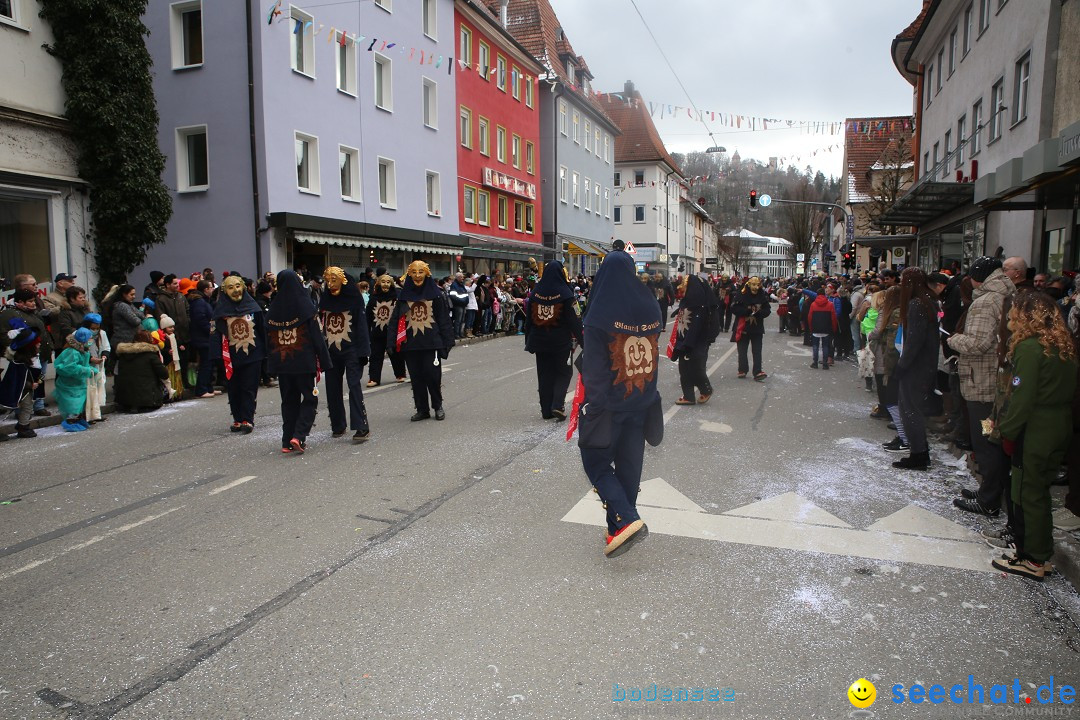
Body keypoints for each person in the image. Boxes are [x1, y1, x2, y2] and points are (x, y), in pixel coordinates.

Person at [575, 249, 663, 558]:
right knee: (628, 468)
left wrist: (591, 407)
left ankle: (626, 519)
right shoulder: (651, 306)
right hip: (641, 401)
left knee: (595, 462)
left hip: (609, 405)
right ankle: (618, 528)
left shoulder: (599, 313)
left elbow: (597, 370)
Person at [992, 292, 1078, 580]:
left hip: (1036, 427)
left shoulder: (1029, 348)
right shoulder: (1061, 345)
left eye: (1013, 313)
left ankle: (1032, 557)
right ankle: (1040, 554)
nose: (1009, 318)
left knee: (1026, 493)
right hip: (1058, 424)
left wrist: (1007, 431)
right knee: (1039, 491)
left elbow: (1022, 398)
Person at [946, 257, 1014, 515]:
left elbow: (977, 343)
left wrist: (954, 340)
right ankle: (990, 489)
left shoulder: (986, 302)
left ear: (977, 277)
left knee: (986, 439)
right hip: (991, 379)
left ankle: (989, 499)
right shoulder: (1006, 294)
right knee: (990, 439)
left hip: (982, 382)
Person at [267, 269, 331, 454]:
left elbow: (268, 340)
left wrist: (270, 366)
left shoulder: (273, 308)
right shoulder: (305, 306)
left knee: (288, 401)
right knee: (310, 399)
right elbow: (316, 336)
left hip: (282, 363)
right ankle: (299, 435)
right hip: (303, 363)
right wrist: (325, 361)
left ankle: (287, 441)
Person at [390, 261, 454, 421]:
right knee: (416, 379)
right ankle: (422, 409)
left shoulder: (437, 295)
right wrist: (390, 341)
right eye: (414, 272)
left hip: (431, 343)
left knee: (433, 377)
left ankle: (438, 406)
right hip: (410, 345)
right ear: (409, 274)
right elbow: (395, 320)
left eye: (421, 272)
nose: (418, 275)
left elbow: (444, 319)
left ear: (427, 274)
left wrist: (447, 342)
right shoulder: (403, 297)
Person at [891, 268, 939, 470]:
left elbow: (914, 340)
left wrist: (901, 366)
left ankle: (918, 453)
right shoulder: (930, 301)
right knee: (913, 409)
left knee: (910, 409)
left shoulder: (917, 304)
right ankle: (920, 451)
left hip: (915, 366)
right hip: (925, 364)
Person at [524, 260, 584, 420]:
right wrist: (585, 343)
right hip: (561, 342)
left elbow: (529, 319)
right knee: (564, 372)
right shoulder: (566, 294)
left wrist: (528, 341)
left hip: (539, 342)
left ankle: (546, 410)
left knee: (544, 375)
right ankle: (557, 405)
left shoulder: (536, 293)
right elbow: (575, 320)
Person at [319, 267, 371, 443]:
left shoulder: (354, 300)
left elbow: (362, 326)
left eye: (334, 279)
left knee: (354, 386)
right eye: (328, 280)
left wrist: (363, 352)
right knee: (332, 387)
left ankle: (361, 426)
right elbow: (322, 326)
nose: (330, 283)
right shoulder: (325, 300)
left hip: (352, 350)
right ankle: (337, 424)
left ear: (343, 280)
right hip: (332, 350)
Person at [214, 275, 267, 433]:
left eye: (238, 286)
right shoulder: (220, 312)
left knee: (249, 387)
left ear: (244, 287)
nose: (236, 290)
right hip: (230, 357)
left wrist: (266, 353)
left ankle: (247, 419)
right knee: (234, 388)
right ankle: (237, 418)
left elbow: (262, 331)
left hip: (253, 355)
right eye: (231, 287)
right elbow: (216, 335)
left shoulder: (254, 307)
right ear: (225, 291)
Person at [670, 274, 719, 404]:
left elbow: (697, 326)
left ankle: (706, 389)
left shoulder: (702, 307)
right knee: (684, 369)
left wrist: (688, 344)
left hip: (696, 342)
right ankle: (688, 396)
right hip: (683, 340)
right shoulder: (688, 301)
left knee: (696, 368)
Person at [0, 318, 44, 439]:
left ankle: (23, 426)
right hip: (23, 391)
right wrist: (31, 385)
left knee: (28, 407)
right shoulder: (20, 363)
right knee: (26, 408)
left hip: (26, 391)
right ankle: (23, 427)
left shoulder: (31, 359)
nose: (39, 344)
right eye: (37, 343)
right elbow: (18, 380)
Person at [366, 274, 407, 386]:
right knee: (375, 356)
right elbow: (368, 317)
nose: (385, 284)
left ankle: (400, 374)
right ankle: (374, 378)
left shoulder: (397, 297)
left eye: (388, 282)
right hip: (377, 333)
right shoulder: (373, 298)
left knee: (396, 354)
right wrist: (367, 332)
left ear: (391, 284)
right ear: (378, 283)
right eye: (383, 282)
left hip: (392, 332)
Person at [53, 327, 97, 431]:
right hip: (70, 384)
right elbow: (71, 368)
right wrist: (88, 371)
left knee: (79, 403)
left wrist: (90, 369)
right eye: (89, 339)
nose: (91, 341)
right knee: (73, 404)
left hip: (77, 383)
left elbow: (82, 365)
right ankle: (71, 422)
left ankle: (77, 420)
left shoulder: (81, 351)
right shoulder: (72, 352)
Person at [114, 329, 168, 413]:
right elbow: (164, 374)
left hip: (125, 400)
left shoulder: (123, 355)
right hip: (148, 400)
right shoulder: (151, 355)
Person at [730, 276, 771, 380]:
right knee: (742, 351)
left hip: (757, 328)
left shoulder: (762, 295)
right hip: (743, 327)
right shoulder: (741, 294)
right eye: (753, 285)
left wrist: (759, 313)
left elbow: (767, 310)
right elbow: (734, 307)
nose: (756, 287)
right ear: (749, 285)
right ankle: (742, 369)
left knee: (757, 351)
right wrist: (746, 311)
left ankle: (757, 372)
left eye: (758, 285)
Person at [80, 313, 110, 422]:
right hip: (85, 367)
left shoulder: (102, 334)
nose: (95, 330)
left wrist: (104, 356)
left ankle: (96, 413)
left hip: (97, 366)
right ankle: (86, 414)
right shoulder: (80, 333)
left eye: (97, 328)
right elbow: (78, 350)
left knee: (97, 389)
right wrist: (90, 359)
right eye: (93, 328)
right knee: (87, 391)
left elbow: (106, 347)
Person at [807, 290, 837, 370]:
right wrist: (834, 328)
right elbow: (833, 318)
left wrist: (810, 328)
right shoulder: (830, 304)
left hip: (815, 327)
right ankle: (825, 363)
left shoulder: (813, 304)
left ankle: (815, 363)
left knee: (815, 346)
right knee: (825, 346)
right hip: (826, 328)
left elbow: (810, 317)